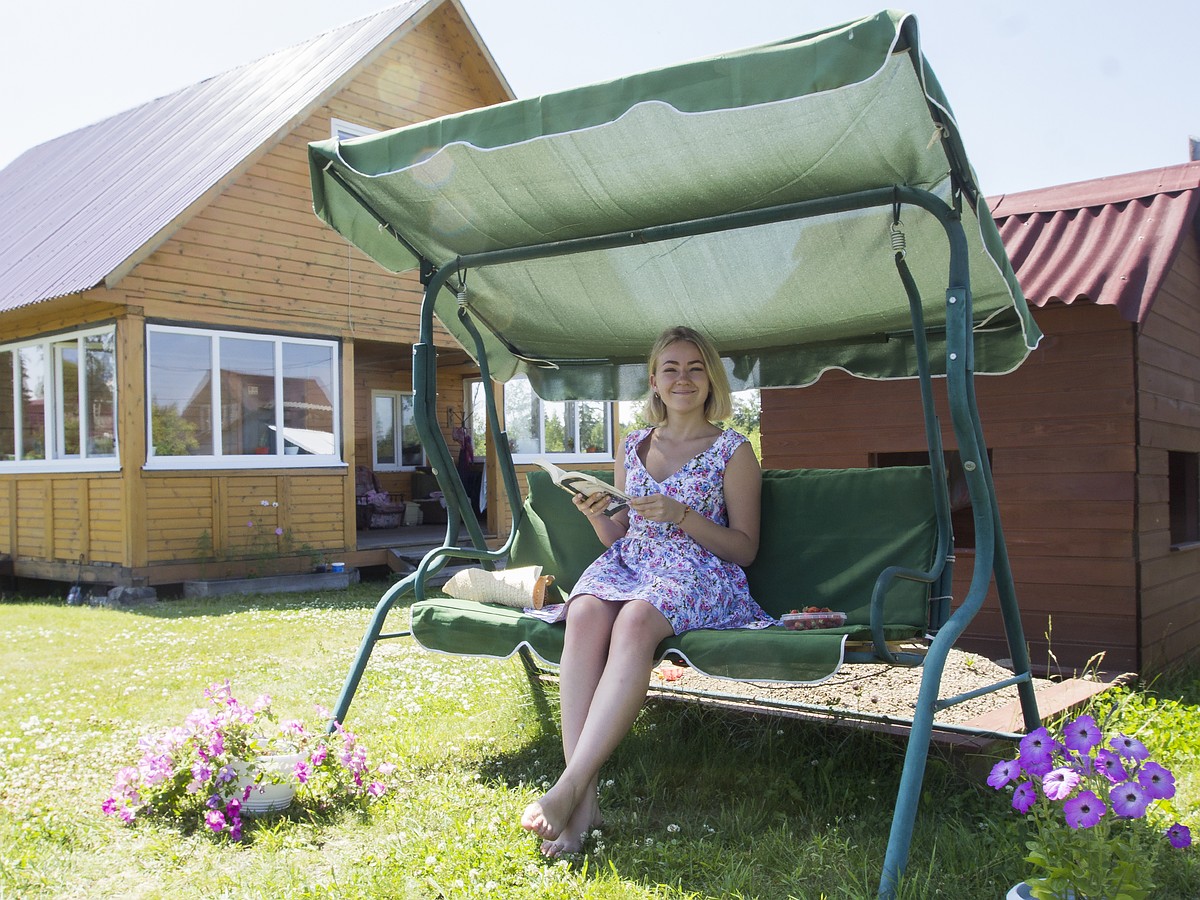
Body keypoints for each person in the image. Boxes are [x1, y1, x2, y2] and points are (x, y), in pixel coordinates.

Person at [520, 325, 772, 856]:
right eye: (671, 369)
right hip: (634, 563)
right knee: (586, 611)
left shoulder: (733, 449)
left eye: (695, 367)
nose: (683, 378)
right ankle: (582, 802)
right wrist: (597, 516)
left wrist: (682, 515)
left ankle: (568, 789)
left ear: (711, 379)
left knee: (634, 620)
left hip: (701, 572)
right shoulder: (633, 445)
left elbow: (744, 548)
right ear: (654, 381)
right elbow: (624, 535)